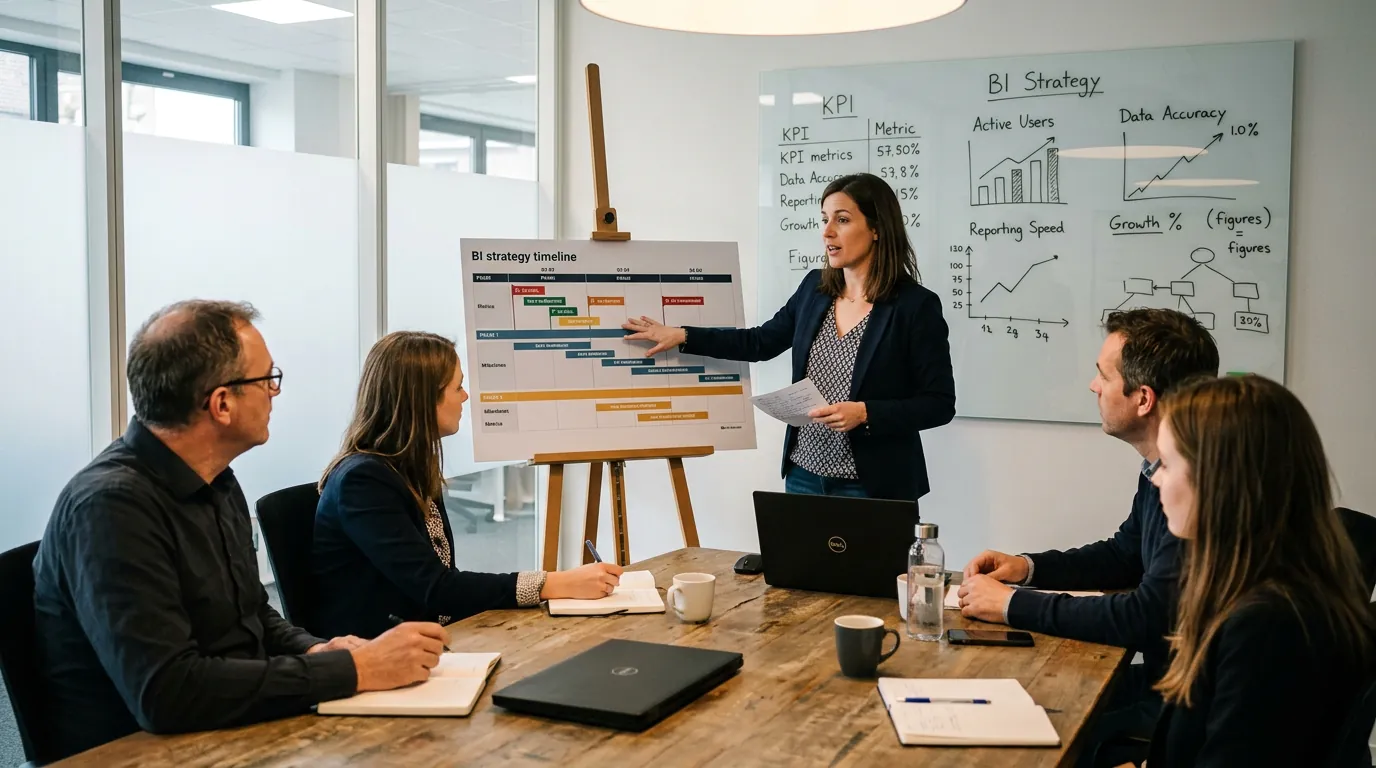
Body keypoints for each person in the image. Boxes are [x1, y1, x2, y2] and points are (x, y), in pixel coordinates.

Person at [32, 301, 445, 762]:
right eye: (267, 379)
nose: (274, 392)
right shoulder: (111, 507)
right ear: (222, 404)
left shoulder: (216, 480)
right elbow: (167, 693)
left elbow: (251, 615)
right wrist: (353, 670)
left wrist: (318, 650)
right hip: (141, 750)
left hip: (233, 726)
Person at [956, 308, 1218, 767]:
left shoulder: (1194, 490)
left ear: (1143, 398)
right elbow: (1124, 555)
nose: (1093, 386)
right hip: (1169, 684)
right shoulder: (1162, 470)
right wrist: (1028, 568)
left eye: (1104, 375)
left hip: (1185, 705)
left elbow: (1146, 615)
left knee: (1034, 729)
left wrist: (1012, 605)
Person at [622, 172, 954, 502]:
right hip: (803, 476)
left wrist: (866, 413)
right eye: (824, 219)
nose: (827, 231)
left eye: (842, 220)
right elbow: (760, 342)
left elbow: (939, 404)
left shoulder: (915, 306)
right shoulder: (815, 288)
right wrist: (682, 335)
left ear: (877, 228)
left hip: (873, 485)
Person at [312, 331, 624, 640]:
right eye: (458, 387)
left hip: (429, 637)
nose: (465, 396)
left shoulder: (410, 468)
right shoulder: (363, 481)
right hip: (383, 652)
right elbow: (437, 587)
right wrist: (552, 583)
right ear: (423, 399)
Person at [1143, 375, 1375, 765]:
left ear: (1218, 480)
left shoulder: (1268, 626)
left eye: (1166, 464)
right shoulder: (1258, 591)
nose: (1155, 479)